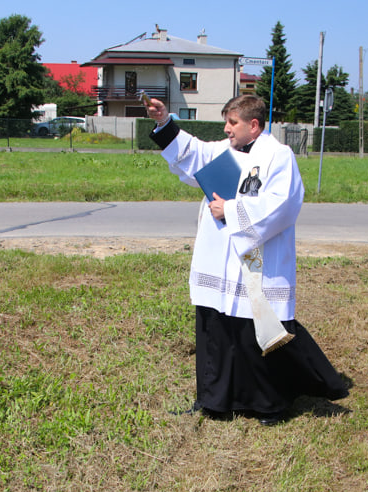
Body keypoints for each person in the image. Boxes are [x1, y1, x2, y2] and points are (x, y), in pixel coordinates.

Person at [145, 94, 348, 425]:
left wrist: (231, 211)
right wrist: (163, 121)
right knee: (216, 330)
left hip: (258, 261)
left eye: (232, 123)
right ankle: (214, 401)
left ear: (253, 125)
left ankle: (269, 404)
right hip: (218, 260)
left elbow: (283, 204)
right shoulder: (225, 152)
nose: (226, 129)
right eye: (226, 122)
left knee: (255, 333)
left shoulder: (278, 156)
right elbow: (191, 152)